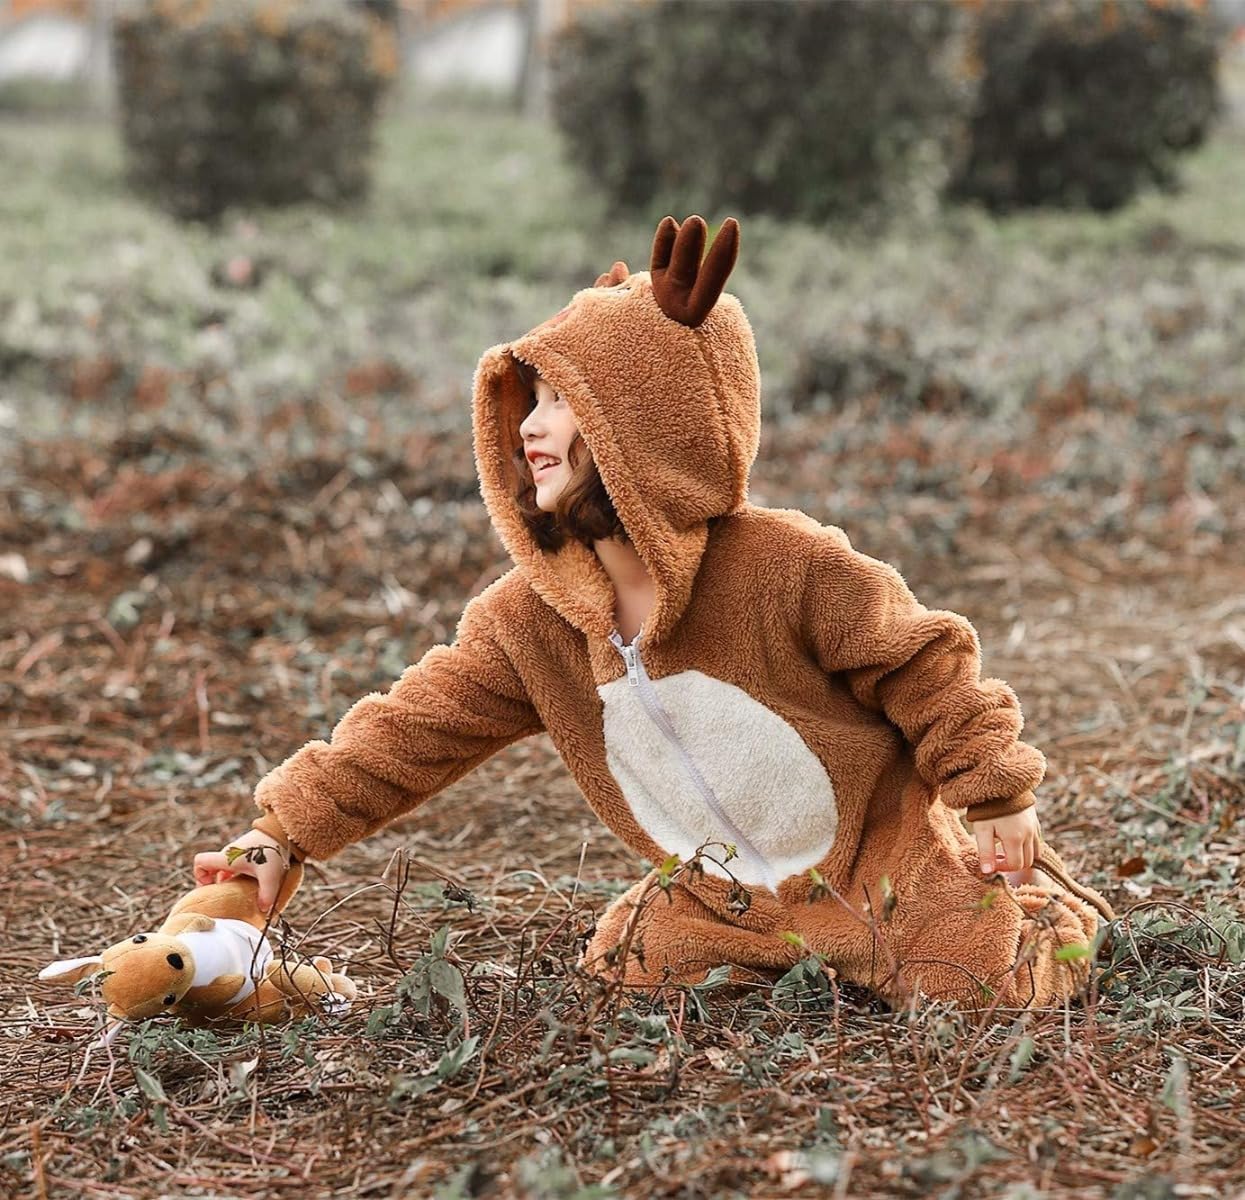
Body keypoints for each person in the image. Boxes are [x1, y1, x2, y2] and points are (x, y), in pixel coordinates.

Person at [195, 215, 1113, 1009]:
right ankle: (780, 950)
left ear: (646, 421)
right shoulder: (532, 619)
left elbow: (923, 659)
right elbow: (409, 731)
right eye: (529, 403)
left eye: (562, 403)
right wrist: (281, 836)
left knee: (977, 981)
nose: (529, 426)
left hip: (882, 865)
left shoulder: (782, 565)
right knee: (629, 965)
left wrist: (992, 791)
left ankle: (1037, 908)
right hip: (726, 898)